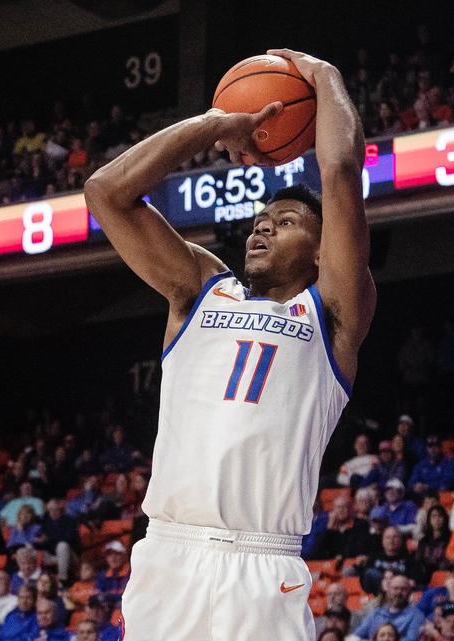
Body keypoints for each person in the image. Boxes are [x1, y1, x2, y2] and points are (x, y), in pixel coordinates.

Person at [84, 49, 375, 641]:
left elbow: (340, 170)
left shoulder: (333, 313)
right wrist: (215, 125)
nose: (264, 225)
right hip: (169, 554)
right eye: (262, 218)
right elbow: (106, 191)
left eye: (287, 220)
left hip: (264, 564)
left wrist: (324, 77)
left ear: (323, 252)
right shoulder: (200, 291)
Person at [352, 575, 424, 641]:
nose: (399, 592)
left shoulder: (416, 616)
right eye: (395, 588)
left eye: (403, 589)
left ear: (410, 593)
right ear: (388, 591)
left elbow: (411, 639)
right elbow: (356, 636)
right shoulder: (375, 613)